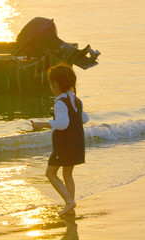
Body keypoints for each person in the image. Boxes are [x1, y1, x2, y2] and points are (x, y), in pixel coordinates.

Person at [31, 63, 89, 216]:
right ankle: (70, 204)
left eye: (51, 83)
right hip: (77, 142)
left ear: (55, 84)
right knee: (67, 174)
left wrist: (41, 124)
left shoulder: (59, 102)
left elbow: (63, 124)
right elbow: (84, 119)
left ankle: (69, 202)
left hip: (64, 144)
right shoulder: (77, 100)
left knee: (50, 173)